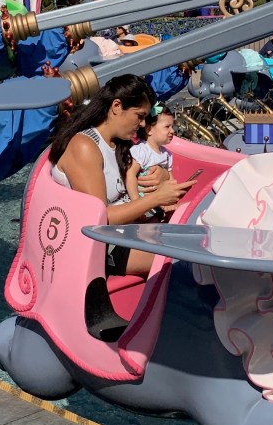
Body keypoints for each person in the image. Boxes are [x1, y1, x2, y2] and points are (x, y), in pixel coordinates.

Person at [49, 74, 195, 277]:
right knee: (187, 260)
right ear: (116, 106)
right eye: (139, 116)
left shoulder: (118, 144)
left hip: (127, 232)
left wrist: (161, 175)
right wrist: (157, 198)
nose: (142, 124)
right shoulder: (84, 147)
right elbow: (100, 220)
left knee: (195, 231)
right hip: (104, 246)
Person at [125, 102, 175, 218]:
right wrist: (137, 204)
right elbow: (130, 174)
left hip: (159, 202)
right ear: (149, 130)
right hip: (143, 202)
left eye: (172, 126)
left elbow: (170, 179)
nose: (172, 130)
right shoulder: (141, 151)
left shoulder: (166, 154)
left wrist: (173, 199)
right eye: (167, 127)